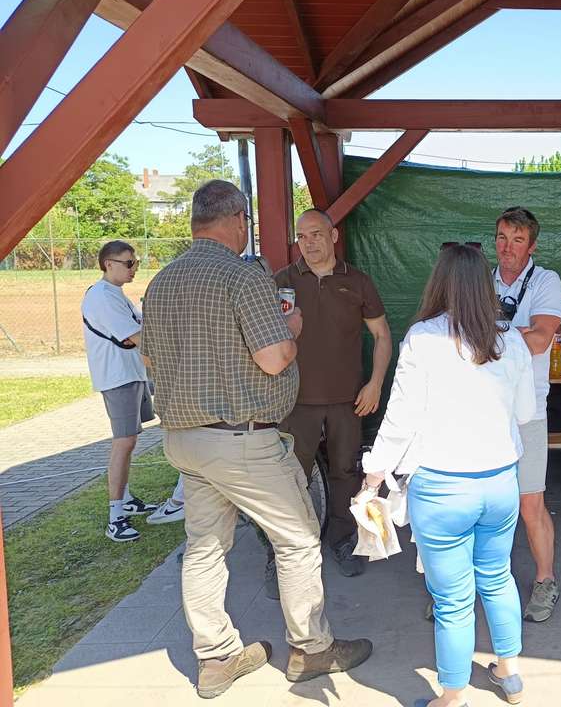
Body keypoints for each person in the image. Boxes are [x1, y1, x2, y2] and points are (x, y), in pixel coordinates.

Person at [141, 180, 371, 699]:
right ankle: (311, 649)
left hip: (184, 440)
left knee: (204, 548)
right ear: (237, 221)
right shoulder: (243, 276)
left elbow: (150, 358)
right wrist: (293, 328)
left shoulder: (162, 281)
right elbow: (273, 358)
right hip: (241, 441)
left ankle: (216, 657)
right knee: (298, 539)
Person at [358, 243, 535, 707]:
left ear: (439, 282)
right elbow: (525, 413)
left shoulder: (423, 337)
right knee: (498, 576)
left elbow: (400, 419)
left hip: (441, 488)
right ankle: (509, 674)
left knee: (453, 600)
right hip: (500, 481)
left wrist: (373, 476)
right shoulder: (510, 338)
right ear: (485, 285)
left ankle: (452, 697)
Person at [272, 209, 391, 579]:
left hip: (347, 399)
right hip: (295, 400)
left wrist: (375, 383)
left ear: (333, 235)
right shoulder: (282, 281)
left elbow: (382, 335)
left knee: (346, 473)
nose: (308, 243)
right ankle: (285, 554)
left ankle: (342, 540)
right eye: (302, 236)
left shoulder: (357, 281)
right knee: (291, 477)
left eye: (316, 234)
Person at [81, 240, 184, 542]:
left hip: (132, 374)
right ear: (108, 264)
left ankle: (124, 499)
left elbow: (141, 332)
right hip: (118, 378)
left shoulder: (116, 295)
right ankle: (116, 516)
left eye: (135, 262)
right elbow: (138, 336)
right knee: (123, 442)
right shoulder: (102, 296)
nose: (134, 268)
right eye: (129, 263)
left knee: (130, 440)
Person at [492, 206, 561, 622]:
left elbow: (540, 340)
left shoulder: (545, 281)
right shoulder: (482, 280)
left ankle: (545, 580)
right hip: (485, 409)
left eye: (518, 240)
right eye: (502, 238)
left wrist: (489, 330)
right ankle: (464, 584)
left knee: (529, 502)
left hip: (529, 411)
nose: (508, 247)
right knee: (481, 500)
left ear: (531, 245)